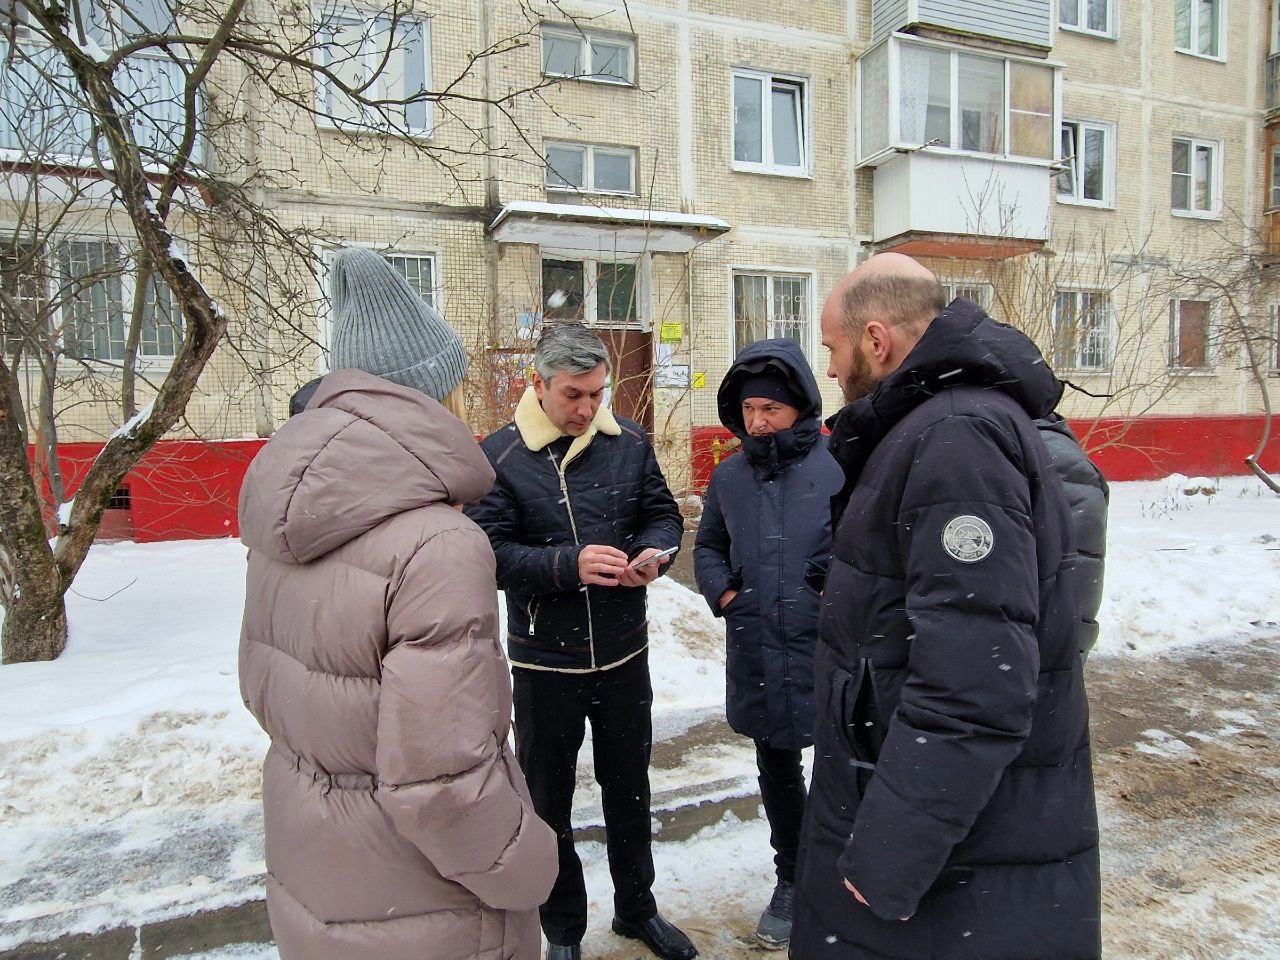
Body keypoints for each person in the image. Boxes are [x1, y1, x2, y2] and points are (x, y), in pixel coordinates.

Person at [238, 247, 556, 960]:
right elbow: (443, 785)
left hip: (321, 875)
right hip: (426, 909)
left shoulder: (284, 520)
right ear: (428, 395)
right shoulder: (436, 545)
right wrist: (528, 863)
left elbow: (266, 690)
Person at [790, 253, 1101, 960]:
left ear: (877, 340)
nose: (830, 371)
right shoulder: (933, 426)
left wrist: (891, 853)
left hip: (951, 861)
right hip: (936, 826)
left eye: (833, 349)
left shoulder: (954, 437)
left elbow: (975, 680)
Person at [465, 323, 694, 960]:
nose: (588, 409)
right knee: (550, 804)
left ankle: (637, 910)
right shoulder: (500, 457)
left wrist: (656, 552)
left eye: (597, 394)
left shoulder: (629, 444)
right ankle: (562, 930)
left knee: (630, 789)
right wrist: (567, 565)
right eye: (573, 395)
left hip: (625, 651)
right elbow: (487, 552)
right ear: (536, 385)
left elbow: (662, 512)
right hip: (546, 661)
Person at [693, 339, 843, 949]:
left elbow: (868, 544)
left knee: (843, 763)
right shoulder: (730, 475)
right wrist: (726, 596)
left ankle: (842, 879)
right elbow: (706, 547)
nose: (758, 421)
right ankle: (791, 877)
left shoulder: (840, 467)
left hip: (830, 646)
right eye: (750, 409)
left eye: (771, 410)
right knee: (776, 766)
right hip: (759, 642)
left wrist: (830, 582)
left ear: (799, 409)